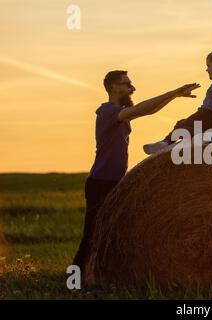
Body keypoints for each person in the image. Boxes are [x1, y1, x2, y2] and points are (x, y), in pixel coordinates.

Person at [73, 70, 200, 271]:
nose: (132, 88)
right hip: (100, 182)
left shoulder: (119, 114)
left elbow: (149, 110)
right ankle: (76, 277)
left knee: (111, 232)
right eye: (127, 84)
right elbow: (142, 109)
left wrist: (173, 96)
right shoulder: (108, 112)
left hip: (113, 181)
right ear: (114, 86)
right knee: (92, 233)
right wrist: (172, 93)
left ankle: (99, 274)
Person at [143, 49, 212, 154]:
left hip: (205, 114)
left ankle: (165, 143)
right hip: (211, 120)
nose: (207, 69)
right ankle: (177, 143)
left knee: (181, 126)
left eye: (208, 66)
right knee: (187, 127)